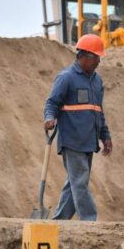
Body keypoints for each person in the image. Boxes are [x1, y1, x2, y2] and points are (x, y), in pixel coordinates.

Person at [43, 34, 113, 221]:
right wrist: (49, 118)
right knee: (80, 181)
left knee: (74, 183)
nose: (98, 61)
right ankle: (89, 220)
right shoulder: (66, 78)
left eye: (99, 57)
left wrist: (105, 136)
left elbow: (99, 111)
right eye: (95, 57)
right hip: (72, 140)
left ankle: (59, 221)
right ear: (82, 55)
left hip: (89, 141)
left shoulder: (97, 81)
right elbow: (52, 103)